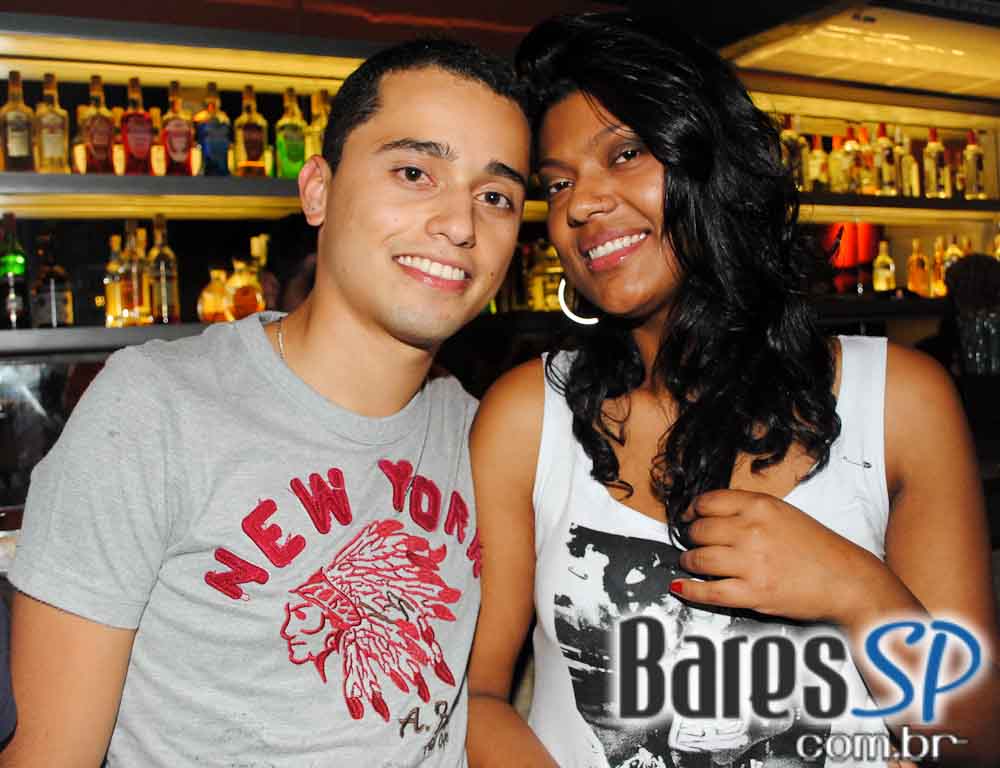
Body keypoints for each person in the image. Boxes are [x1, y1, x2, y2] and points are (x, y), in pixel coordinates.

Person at [467, 13, 999, 768]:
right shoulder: (528, 415)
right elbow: (477, 698)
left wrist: (857, 591)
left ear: (715, 162)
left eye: (625, 153)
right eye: (557, 184)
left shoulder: (900, 402)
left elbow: (973, 741)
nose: (579, 206)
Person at [5, 39, 530, 767]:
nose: (461, 224)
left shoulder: (486, 435)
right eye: (414, 173)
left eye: (495, 196)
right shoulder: (154, 410)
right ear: (317, 190)